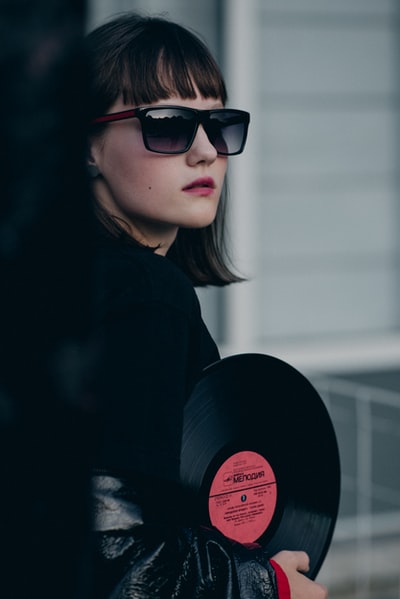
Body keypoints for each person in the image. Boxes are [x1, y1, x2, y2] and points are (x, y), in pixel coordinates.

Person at [86, 12, 328, 599]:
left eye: (217, 125)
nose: (205, 152)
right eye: (166, 125)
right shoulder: (146, 295)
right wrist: (268, 585)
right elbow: (114, 556)